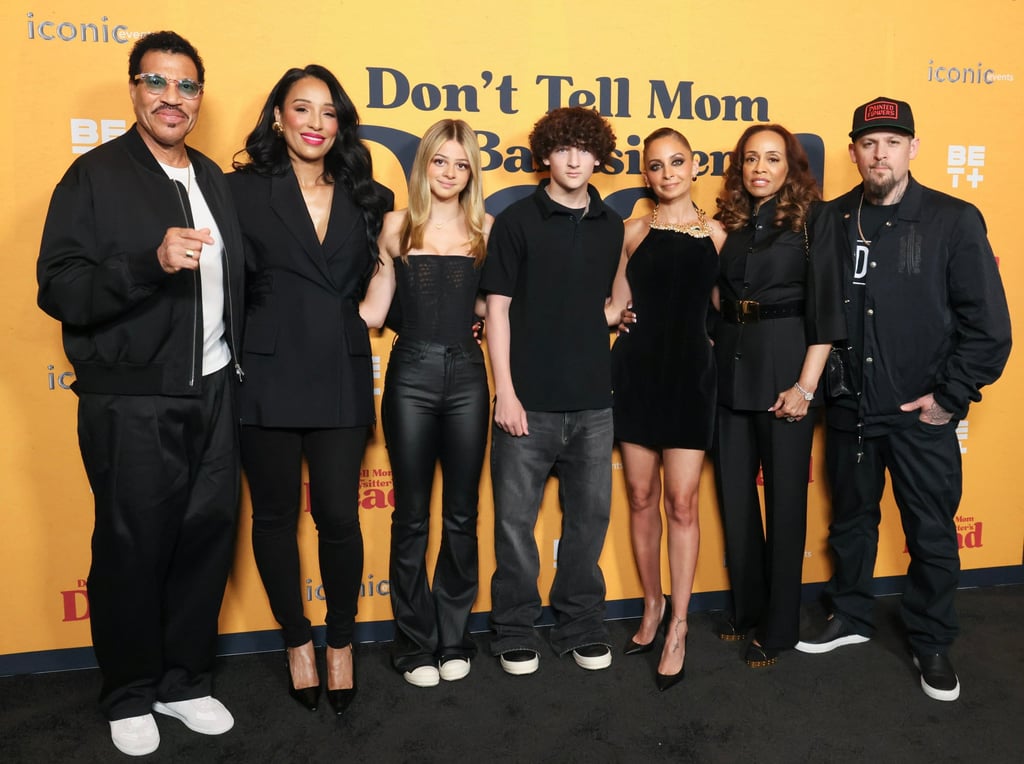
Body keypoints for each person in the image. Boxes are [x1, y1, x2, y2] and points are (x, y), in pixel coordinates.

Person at [37, 31, 242, 756]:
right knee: (130, 548)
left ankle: (184, 682)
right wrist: (147, 263)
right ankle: (129, 690)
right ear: (134, 90)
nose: (172, 98)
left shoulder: (215, 178)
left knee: (205, 541)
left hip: (216, 393)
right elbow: (58, 288)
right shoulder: (94, 176)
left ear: (198, 97)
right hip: (133, 400)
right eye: (156, 82)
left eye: (186, 86)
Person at [795, 97, 1011, 702]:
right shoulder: (831, 218)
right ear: (854, 151)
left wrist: (951, 396)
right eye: (868, 143)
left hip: (920, 416)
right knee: (852, 523)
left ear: (912, 149)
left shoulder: (953, 219)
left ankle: (932, 639)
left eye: (892, 142)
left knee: (932, 533)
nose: (879, 153)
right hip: (850, 411)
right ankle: (851, 616)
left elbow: (989, 326)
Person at [227, 65, 392, 716]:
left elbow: (380, 285)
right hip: (264, 372)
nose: (316, 123)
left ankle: (342, 641)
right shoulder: (239, 191)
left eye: (329, 112)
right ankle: (297, 640)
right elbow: (224, 285)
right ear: (278, 118)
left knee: (338, 517)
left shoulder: (367, 194)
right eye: (303, 109)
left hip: (340, 371)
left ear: (341, 124)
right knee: (272, 518)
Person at [481, 107, 623, 676]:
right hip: (528, 402)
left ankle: (580, 624)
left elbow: (607, 300)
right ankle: (514, 627)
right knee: (515, 526)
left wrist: (615, 316)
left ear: (597, 157)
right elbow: (498, 310)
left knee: (588, 524)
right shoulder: (516, 220)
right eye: (562, 148)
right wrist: (505, 393)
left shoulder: (611, 225)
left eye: (583, 149)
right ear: (545, 155)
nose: (573, 159)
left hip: (593, 400)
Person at [359, 119, 492, 688]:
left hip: (467, 376)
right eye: (441, 161)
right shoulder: (395, 227)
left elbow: (498, 308)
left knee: (461, 514)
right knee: (411, 515)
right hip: (409, 371)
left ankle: (454, 635)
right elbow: (372, 310)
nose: (450, 173)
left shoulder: (487, 228)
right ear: (425, 164)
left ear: (471, 174)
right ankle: (414, 641)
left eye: (461, 165)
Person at [711, 125, 845, 668]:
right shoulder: (732, 224)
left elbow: (828, 310)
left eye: (771, 158)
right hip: (730, 365)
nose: (759, 168)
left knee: (786, 503)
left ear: (791, 165)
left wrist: (806, 386)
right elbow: (716, 294)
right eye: (750, 159)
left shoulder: (816, 220)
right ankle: (747, 610)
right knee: (735, 500)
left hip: (788, 368)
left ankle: (780, 626)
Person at [607, 128, 726, 690]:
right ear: (646, 174)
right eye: (656, 166)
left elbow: (725, 314)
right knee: (639, 497)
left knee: (681, 503)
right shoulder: (630, 233)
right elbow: (614, 306)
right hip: (636, 374)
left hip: (690, 380)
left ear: (695, 166)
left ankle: (679, 623)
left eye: (677, 162)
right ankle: (651, 605)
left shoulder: (721, 236)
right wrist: (614, 318)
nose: (668, 172)